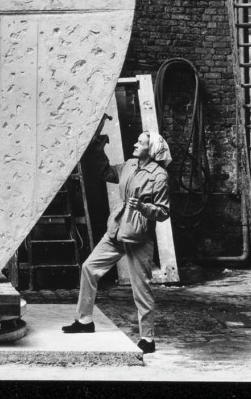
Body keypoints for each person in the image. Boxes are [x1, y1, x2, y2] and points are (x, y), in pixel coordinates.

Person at [61, 129, 172, 354]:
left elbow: (163, 212)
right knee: (89, 268)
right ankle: (84, 321)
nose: (135, 144)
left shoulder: (159, 176)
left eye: (140, 143)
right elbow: (106, 173)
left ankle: (147, 339)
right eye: (137, 140)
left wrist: (142, 207)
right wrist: (98, 148)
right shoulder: (130, 165)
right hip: (118, 229)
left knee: (141, 287)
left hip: (138, 236)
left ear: (150, 150)